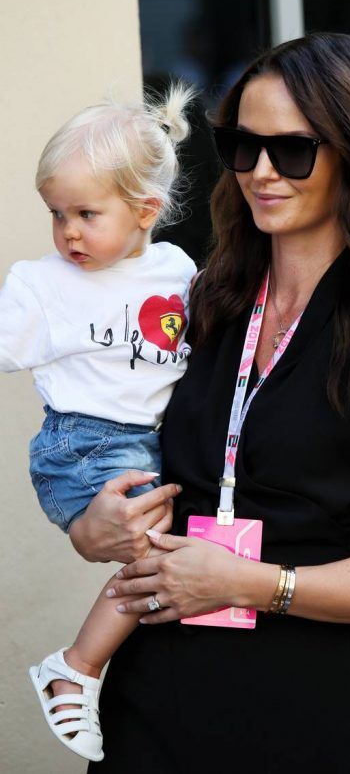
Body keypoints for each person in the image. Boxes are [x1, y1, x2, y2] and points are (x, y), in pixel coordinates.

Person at [69, 32, 350, 774]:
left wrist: (254, 583)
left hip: (297, 703)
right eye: (240, 145)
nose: (259, 171)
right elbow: (113, 462)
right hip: (150, 695)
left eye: (290, 150)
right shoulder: (196, 307)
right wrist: (93, 525)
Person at [0, 84, 196, 762]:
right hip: (83, 444)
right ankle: (77, 668)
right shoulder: (43, 283)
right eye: (57, 214)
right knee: (157, 564)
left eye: (86, 213)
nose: (68, 233)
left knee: (170, 561)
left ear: (144, 212)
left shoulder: (177, 270)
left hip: (149, 445)